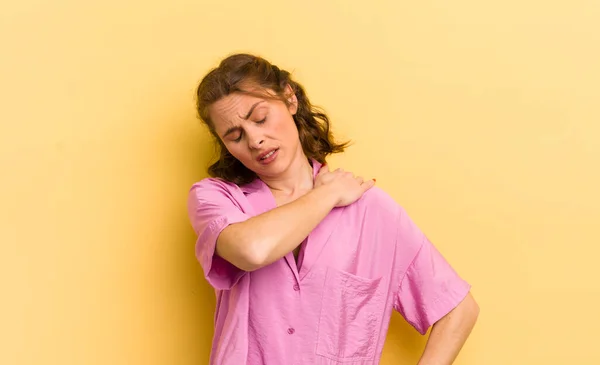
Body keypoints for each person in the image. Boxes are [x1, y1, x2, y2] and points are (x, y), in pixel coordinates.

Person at [187, 53, 479, 365]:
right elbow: (252, 251)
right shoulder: (216, 199)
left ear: (289, 99)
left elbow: (459, 309)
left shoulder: (371, 210)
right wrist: (327, 195)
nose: (256, 140)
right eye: (235, 136)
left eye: (260, 119)